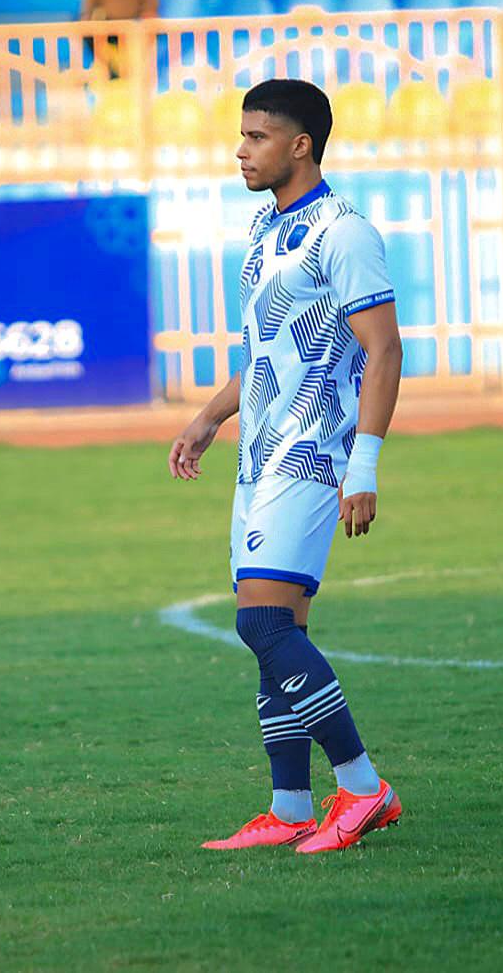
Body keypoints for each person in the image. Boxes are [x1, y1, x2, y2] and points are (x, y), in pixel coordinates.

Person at [169, 79, 404, 855]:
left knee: (261, 622)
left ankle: (365, 789)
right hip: (259, 456)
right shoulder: (266, 229)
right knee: (279, 630)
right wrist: (210, 417)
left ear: (300, 144)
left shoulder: (344, 230)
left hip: (312, 455)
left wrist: (362, 465)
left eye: (257, 137)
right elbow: (266, 349)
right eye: (241, 136)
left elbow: (382, 348)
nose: (241, 151)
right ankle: (291, 805)